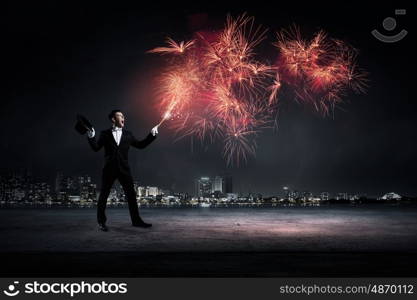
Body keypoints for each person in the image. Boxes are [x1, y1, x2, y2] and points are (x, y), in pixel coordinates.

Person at [87, 109, 159, 231]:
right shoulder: (104, 134)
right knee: (103, 195)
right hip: (109, 169)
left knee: (131, 195)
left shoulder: (128, 134)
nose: (123, 117)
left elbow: (141, 145)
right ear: (113, 119)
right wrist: (91, 136)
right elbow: (95, 148)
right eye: (120, 115)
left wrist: (152, 135)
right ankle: (101, 223)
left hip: (124, 169)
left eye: (123, 116)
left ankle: (136, 221)